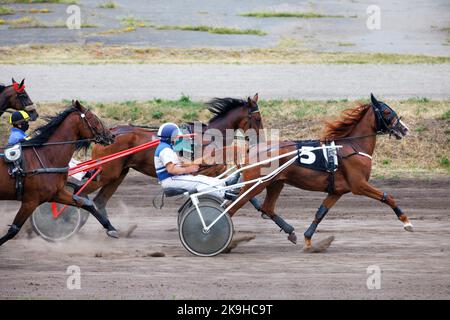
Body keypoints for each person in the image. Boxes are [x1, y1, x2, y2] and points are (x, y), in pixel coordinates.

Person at [154, 122, 238, 199]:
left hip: (174, 178)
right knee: (200, 182)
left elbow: (180, 164)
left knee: (202, 178)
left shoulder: (167, 147)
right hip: (171, 180)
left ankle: (225, 183)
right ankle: (225, 194)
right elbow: (171, 169)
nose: (178, 138)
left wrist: (201, 159)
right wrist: (188, 169)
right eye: (177, 136)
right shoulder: (165, 150)